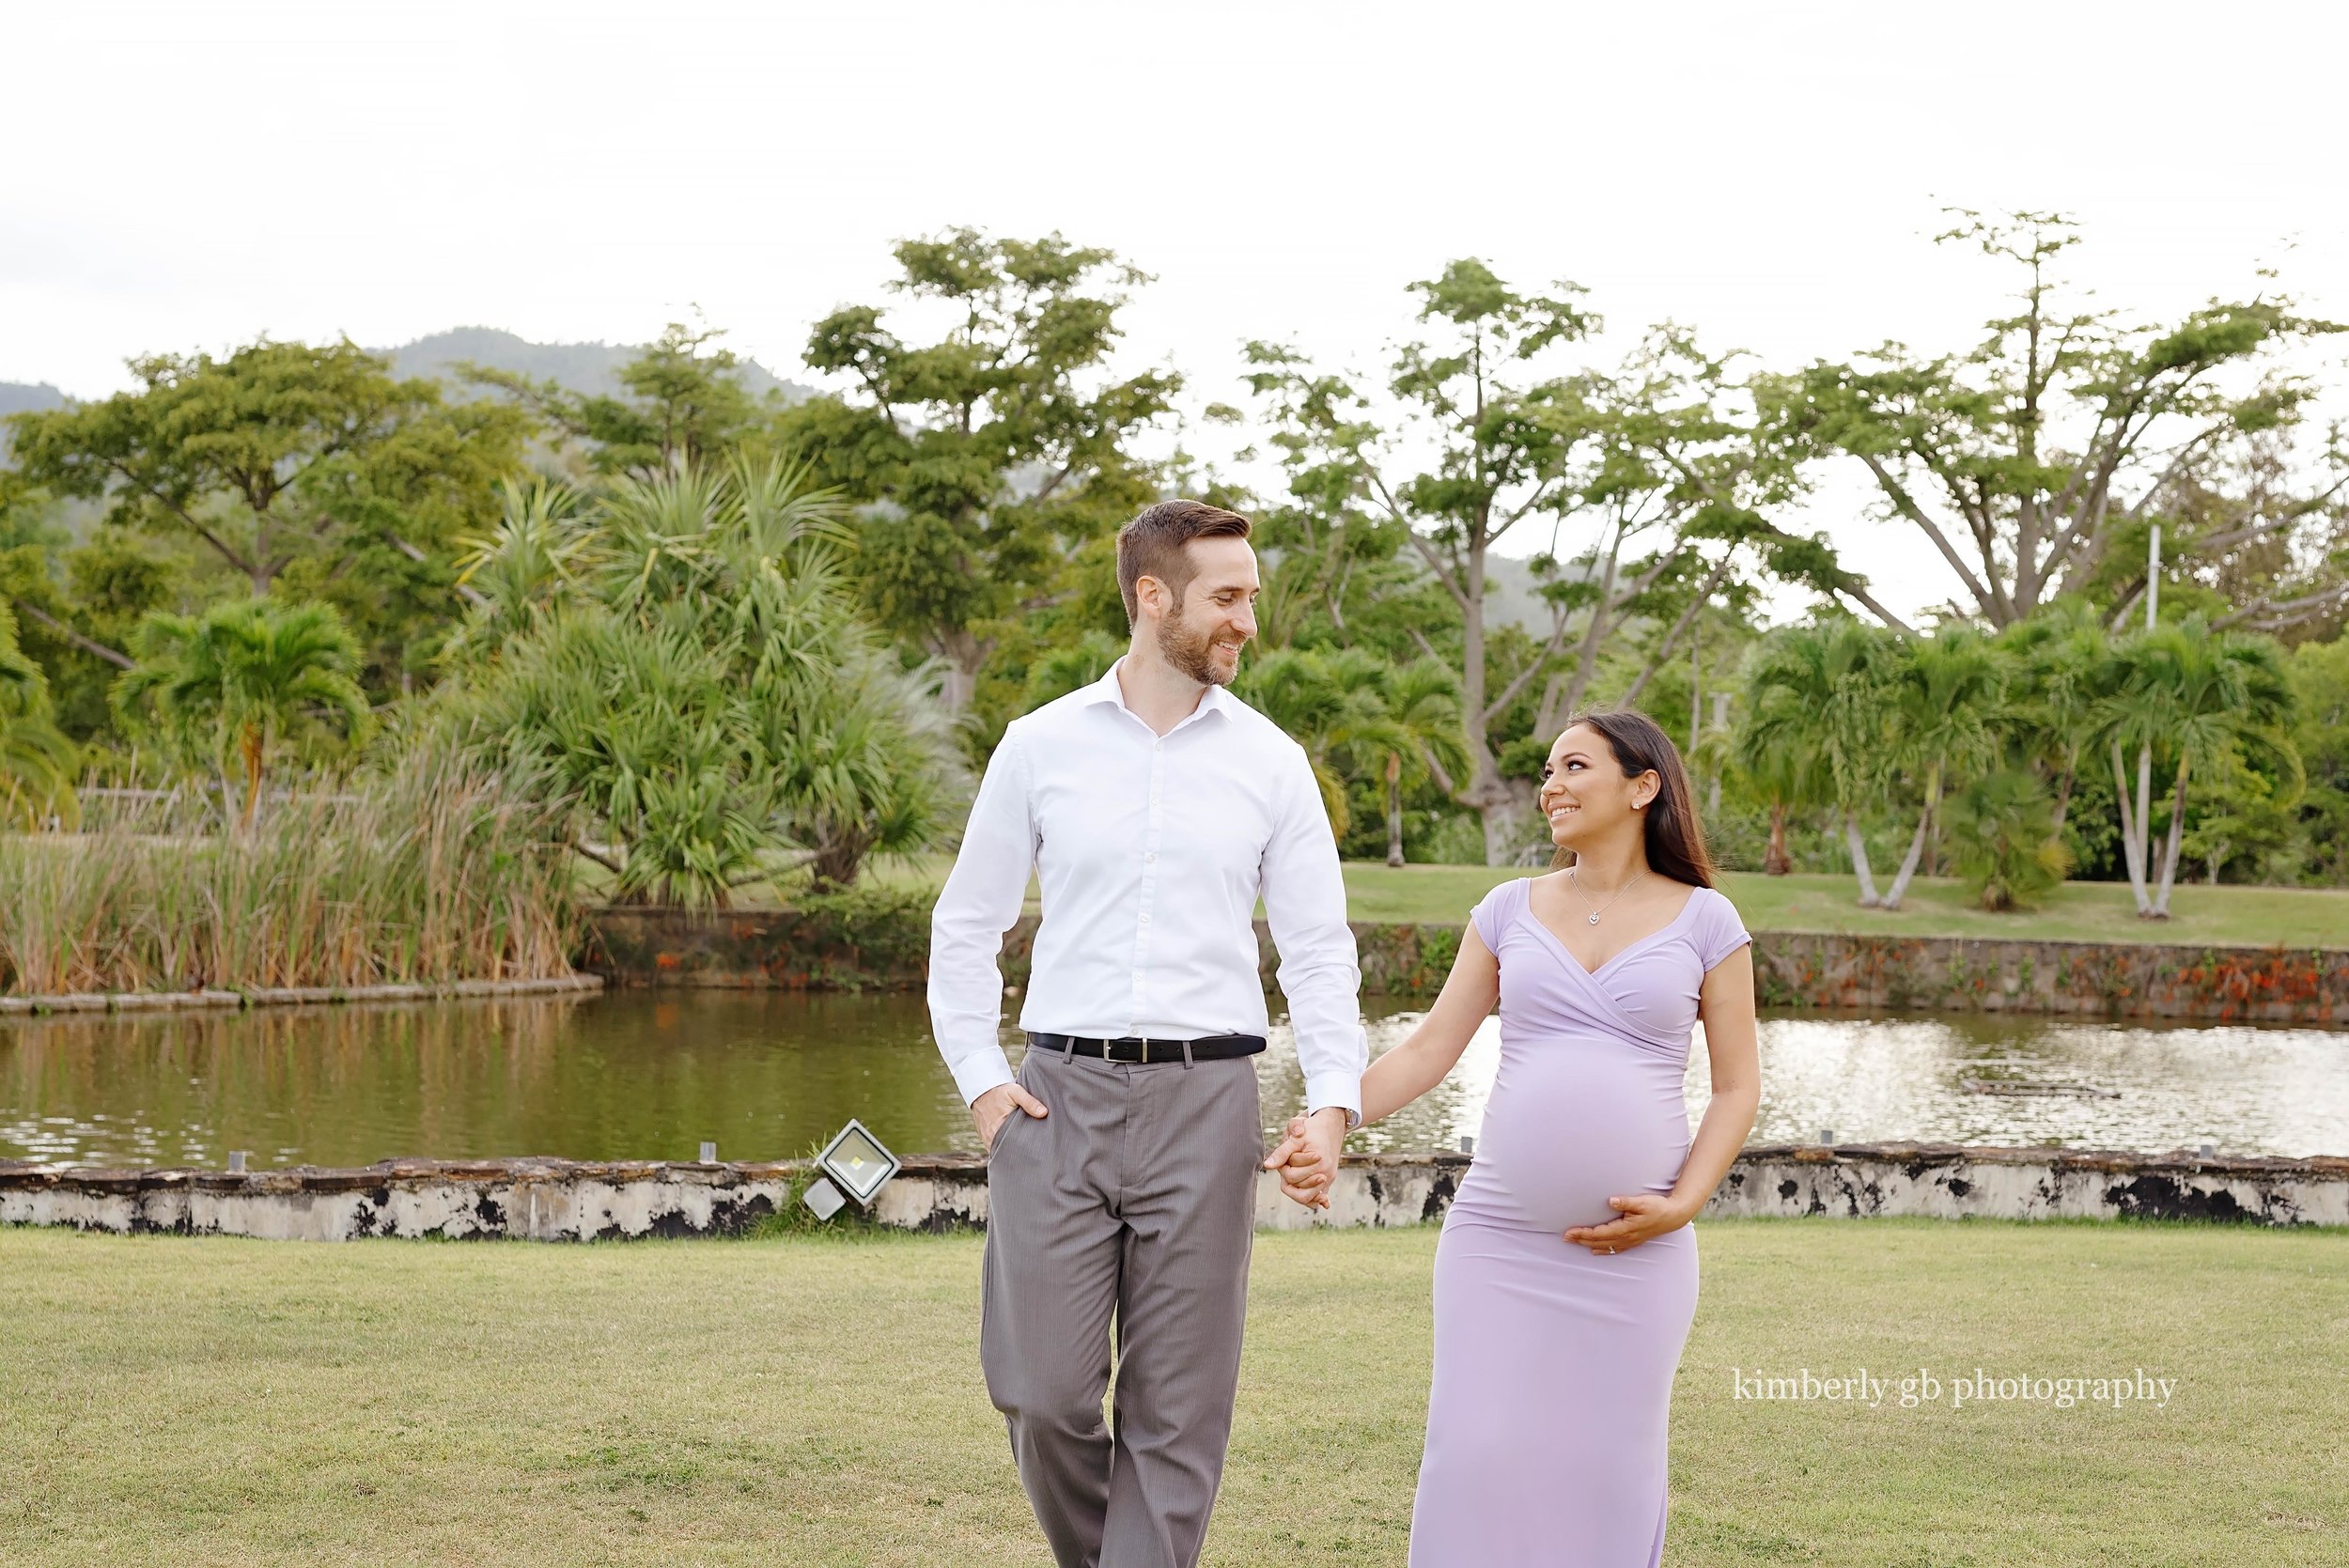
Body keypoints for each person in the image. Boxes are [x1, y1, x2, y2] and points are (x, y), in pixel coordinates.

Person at [927, 498, 1367, 1568]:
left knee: (1179, 1411)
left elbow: (1316, 948)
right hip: (1056, 1099)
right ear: (1152, 596)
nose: (1247, 622)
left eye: (1252, 598)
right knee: (1039, 1393)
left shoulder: (1272, 761)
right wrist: (983, 1080)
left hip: (1208, 1101)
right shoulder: (1039, 746)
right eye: (1227, 598)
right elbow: (965, 923)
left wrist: (1332, 1101)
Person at [1270, 709, 1762, 1566]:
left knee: (1607, 1470)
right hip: (1497, 1244)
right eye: (1547, 770)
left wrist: (1683, 1203)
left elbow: (1735, 1087)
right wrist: (1331, 1116)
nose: (1551, 786)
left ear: (1642, 786)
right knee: (1476, 1455)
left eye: (1575, 767)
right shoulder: (1507, 910)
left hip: (1635, 1260)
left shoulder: (1708, 921)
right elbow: (1428, 1048)